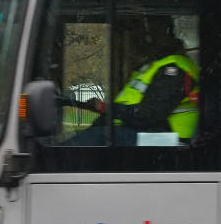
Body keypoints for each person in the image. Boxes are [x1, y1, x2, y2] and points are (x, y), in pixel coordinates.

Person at [83, 16, 199, 144]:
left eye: (145, 33)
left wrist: (109, 109)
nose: (139, 40)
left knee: (90, 140)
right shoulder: (151, 66)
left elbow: (149, 115)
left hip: (165, 138)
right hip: (138, 130)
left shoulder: (174, 68)